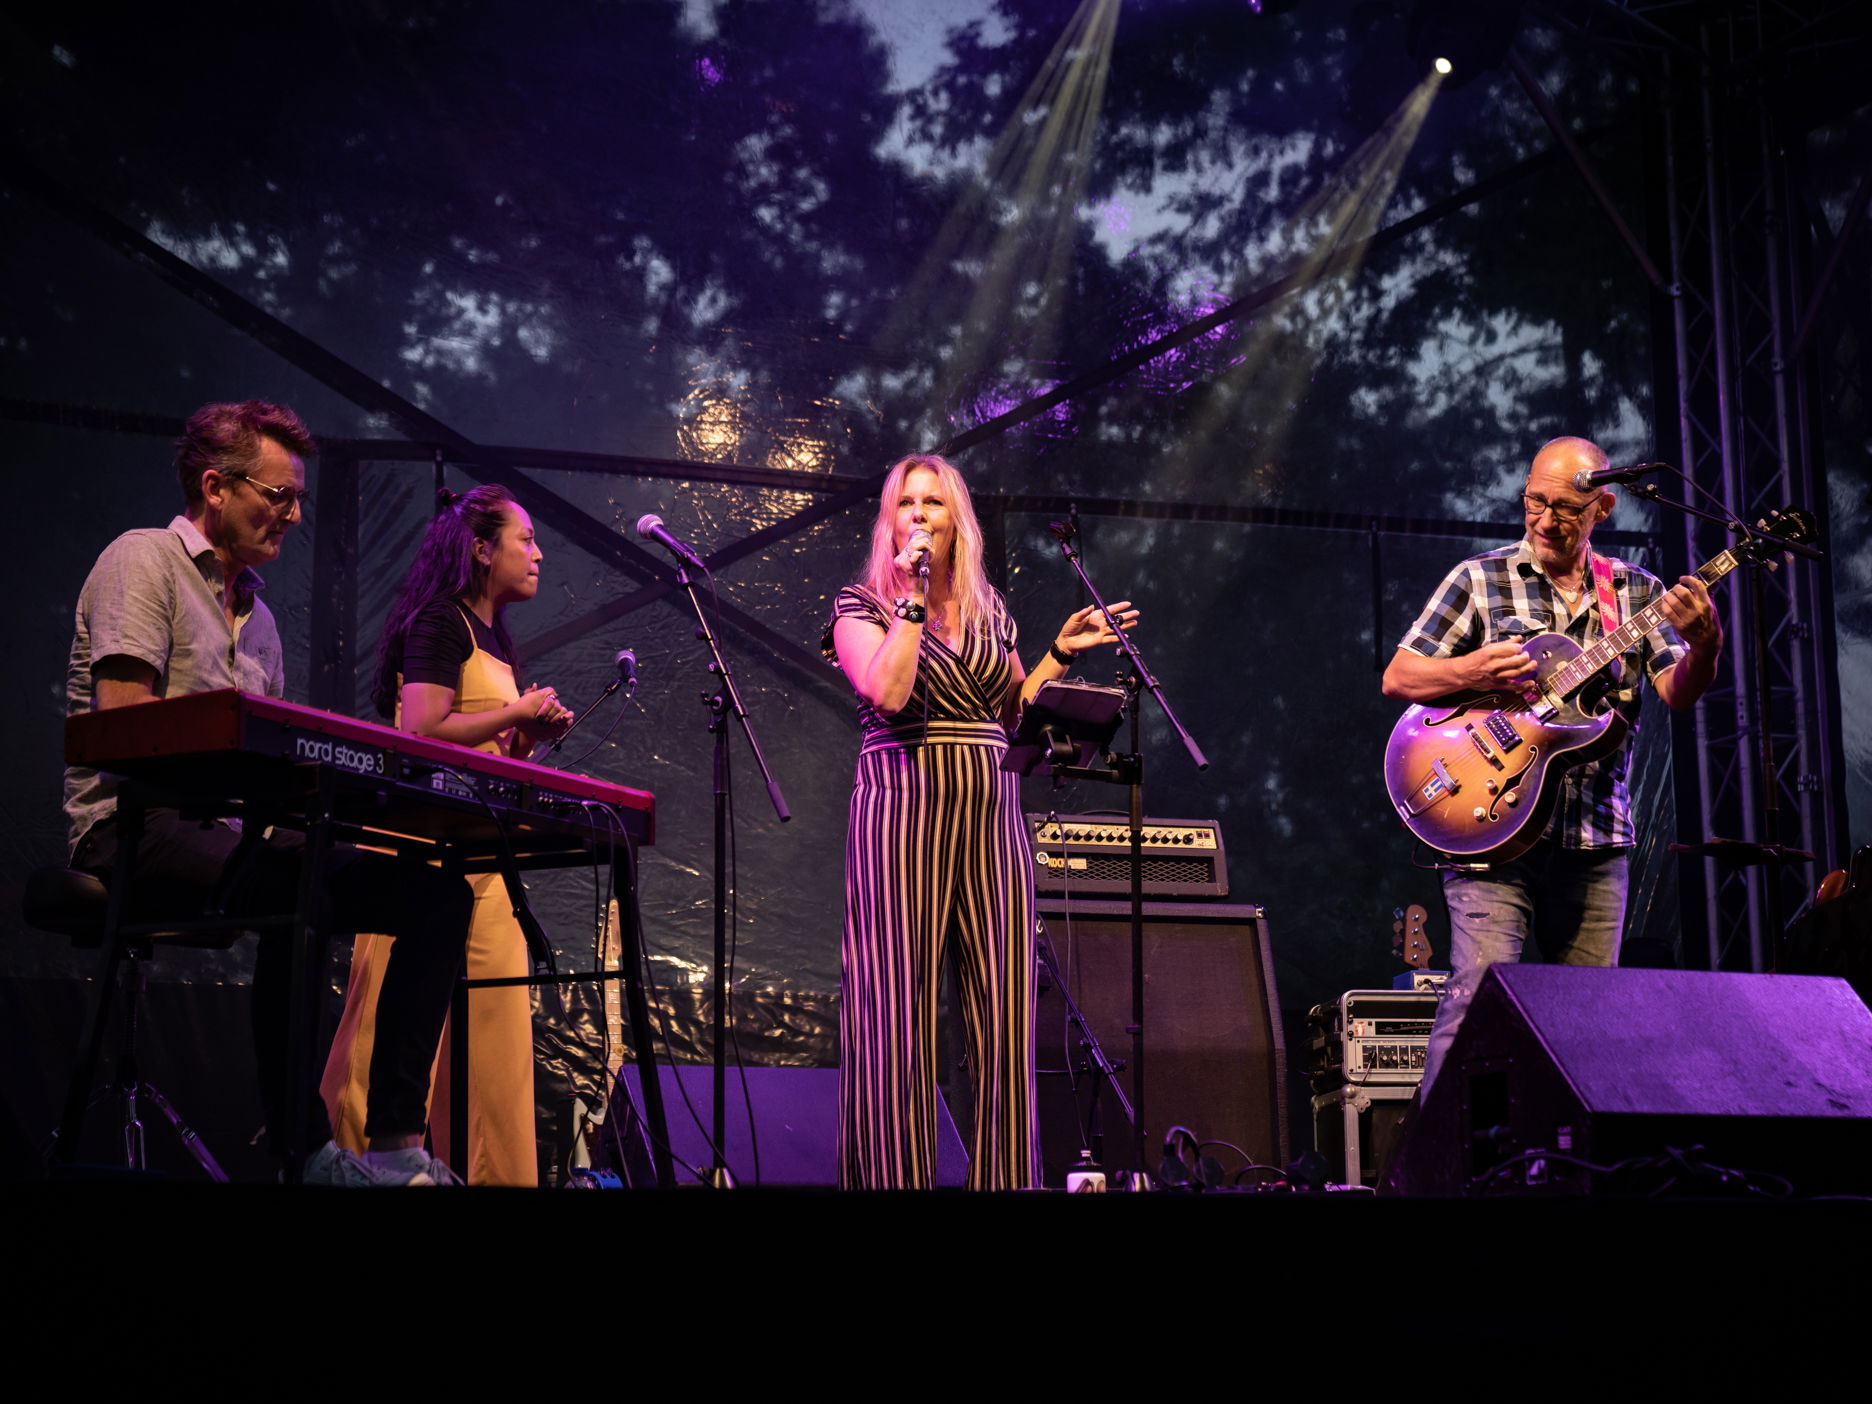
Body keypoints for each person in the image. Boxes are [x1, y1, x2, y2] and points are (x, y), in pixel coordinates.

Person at [64, 399, 475, 1185]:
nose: (292, 514)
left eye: (298, 500)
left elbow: (270, 757)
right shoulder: (141, 560)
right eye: (278, 495)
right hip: (132, 824)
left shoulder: (261, 618)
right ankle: (305, 1153)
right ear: (215, 487)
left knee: (437, 897)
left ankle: (395, 1151)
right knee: (305, 876)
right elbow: (124, 732)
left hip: (231, 828)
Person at [824, 453, 1137, 1190]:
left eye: (934, 503)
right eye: (906, 504)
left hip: (992, 806)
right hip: (903, 804)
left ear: (958, 520)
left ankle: (1006, 1186)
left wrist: (1058, 655)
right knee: (894, 1011)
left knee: (1004, 1015)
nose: (920, 515)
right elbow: (891, 691)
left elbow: (1008, 710)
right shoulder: (859, 606)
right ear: (889, 521)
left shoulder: (991, 609)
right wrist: (909, 598)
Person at [1381, 435, 1724, 1091]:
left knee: (1591, 1030)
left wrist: (1707, 646)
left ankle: (1574, 1179)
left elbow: (1678, 691)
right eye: (1533, 502)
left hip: (1595, 840)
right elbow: (1399, 677)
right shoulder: (1477, 580)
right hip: (1490, 831)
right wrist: (1471, 667)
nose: (1542, 520)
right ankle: (1433, 1182)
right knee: (1475, 1010)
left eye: (1563, 508)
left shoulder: (1634, 591)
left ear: (1602, 508)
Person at [322, 485, 573, 1186]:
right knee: (386, 1024)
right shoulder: (439, 621)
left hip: (480, 848)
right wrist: (513, 711)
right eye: (525, 539)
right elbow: (419, 732)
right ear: (481, 548)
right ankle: (357, 1164)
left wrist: (526, 732)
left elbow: (490, 755)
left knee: (497, 1032)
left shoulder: (494, 635)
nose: (538, 553)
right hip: (419, 844)